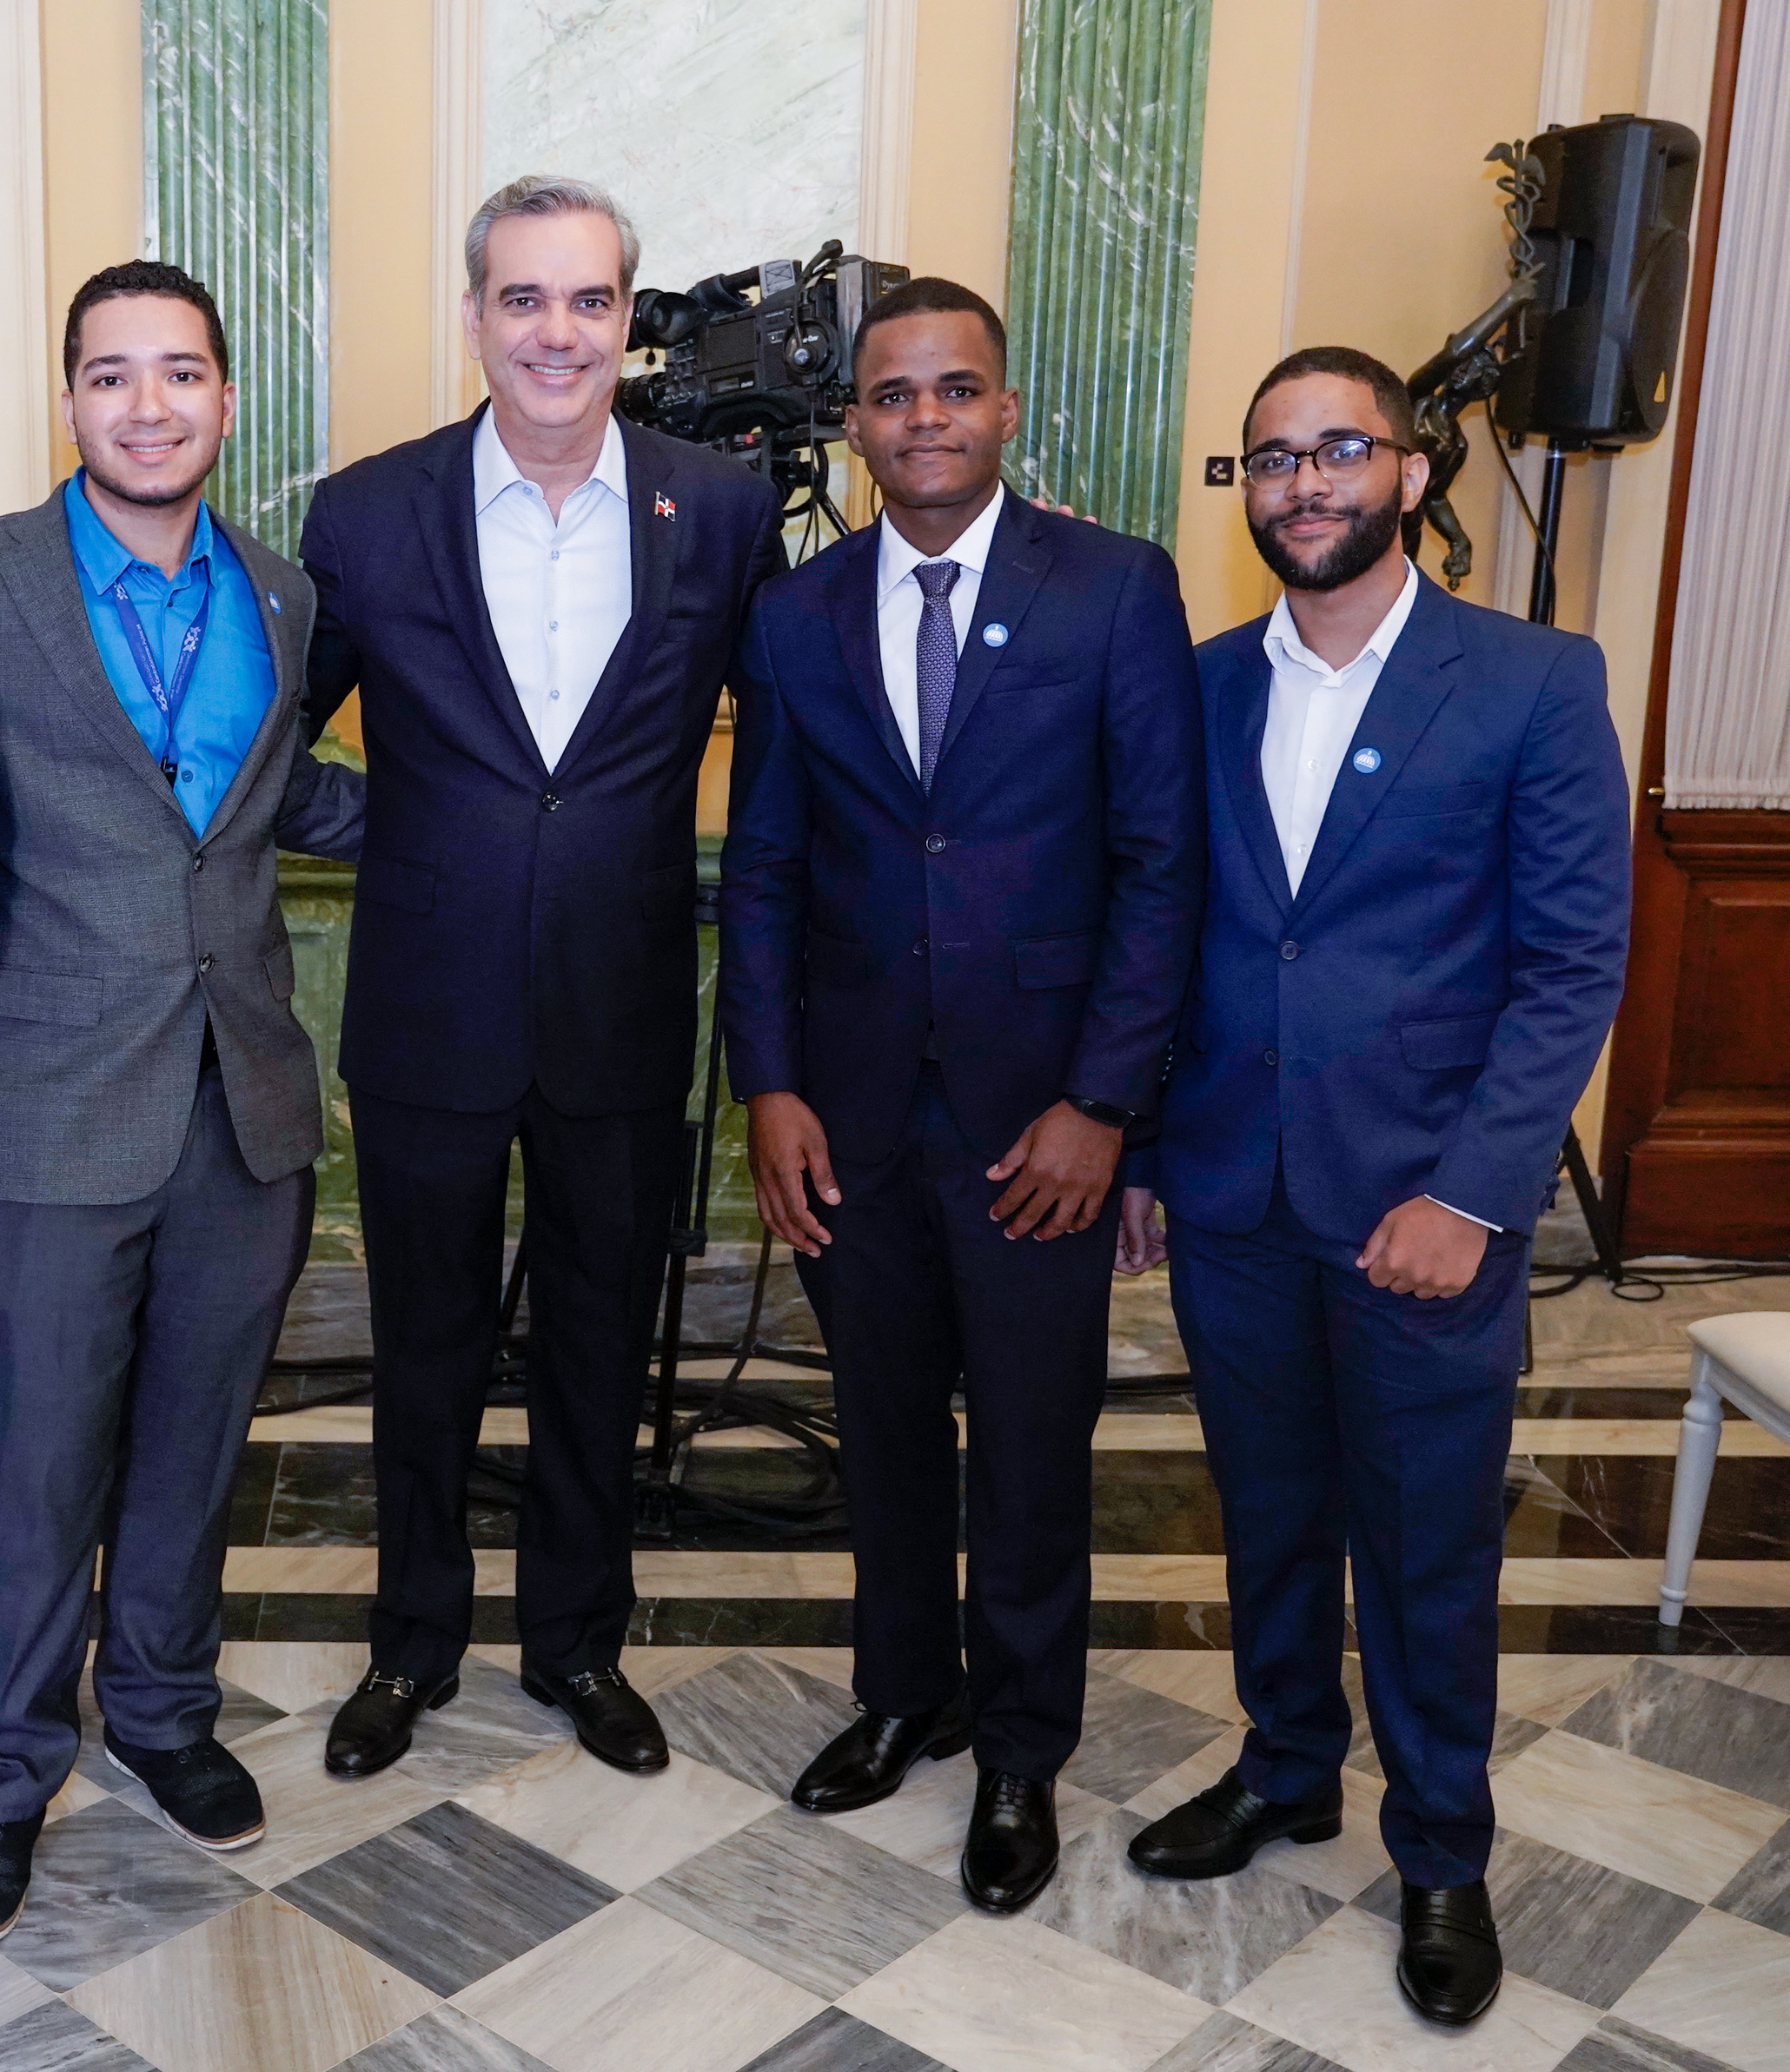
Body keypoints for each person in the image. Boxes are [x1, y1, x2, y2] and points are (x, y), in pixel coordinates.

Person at [1117, 346, 1629, 2024]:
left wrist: (1473, 1193)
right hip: (1233, 1198)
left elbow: (1571, 964)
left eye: (1340, 450)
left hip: (1422, 1209)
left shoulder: (1531, 680)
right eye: (1271, 458)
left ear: (1410, 474)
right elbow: (1165, 936)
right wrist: (1142, 1150)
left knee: (1422, 1548)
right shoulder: (1197, 686)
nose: (1304, 482)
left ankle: (1440, 1850)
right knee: (1267, 1513)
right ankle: (1284, 1768)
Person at [719, 278, 1203, 1913]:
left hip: (1038, 1120)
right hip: (847, 1112)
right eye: (891, 394)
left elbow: (1160, 864)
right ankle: (903, 1691)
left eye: (954, 388)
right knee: (880, 1425)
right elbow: (764, 865)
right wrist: (769, 1084)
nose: (922, 417)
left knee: (1029, 1441)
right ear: (853, 423)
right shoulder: (794, 613)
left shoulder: (1115, 588)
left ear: (1005, 409)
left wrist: (1103, 1104)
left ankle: (1018, 1742)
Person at [298, 175, 781, 1778]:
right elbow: (263, 747)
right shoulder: (367, 513)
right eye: (521, 299)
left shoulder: (719, 508)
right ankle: (411, 1642)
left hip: (621, 1006)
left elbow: (791, 744)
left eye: (587, 300)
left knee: (598, 1345)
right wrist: (406, 828)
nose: (555, 333)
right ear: (473, 317)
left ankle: (577, 1641)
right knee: (423, 1349)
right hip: (427, 1009)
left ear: (626, 320)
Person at [0, 261, 363, 1941]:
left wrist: (514, 819)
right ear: (70, 401)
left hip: (243, 1099)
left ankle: (165, 1712)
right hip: (39, 1095)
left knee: (194, 1444)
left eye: (179, 373)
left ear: (226, 399)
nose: (148, 405)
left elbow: (267, 798)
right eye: (111, 375)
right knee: (35, 1464)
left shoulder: (283, 593)